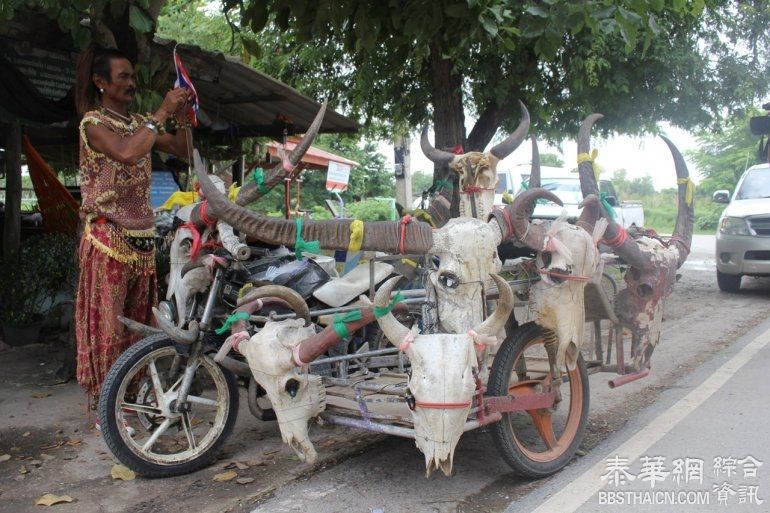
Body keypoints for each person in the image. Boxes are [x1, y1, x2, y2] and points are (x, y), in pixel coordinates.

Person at [73, 45, 191, 421]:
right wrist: (162, 112)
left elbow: (184, 150)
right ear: (100, 82)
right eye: (122, 76)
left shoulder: (140, 123)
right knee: (110, 327)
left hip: (141, 242)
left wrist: (184, 117)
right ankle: (110, 410)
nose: (130, 82)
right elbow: (126, 152)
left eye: (130, 76)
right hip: (108, 240)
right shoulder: (94, 123)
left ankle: (135, 398)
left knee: (140, 326)